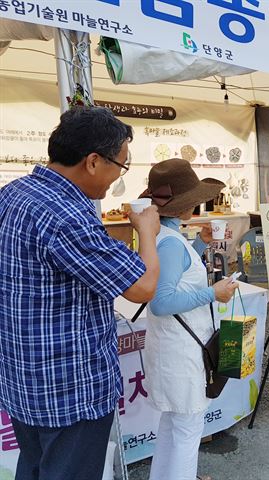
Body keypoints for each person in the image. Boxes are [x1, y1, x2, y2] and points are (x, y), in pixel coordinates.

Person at [0, 106, 160, 480]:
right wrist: (147, 232)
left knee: (35, 467)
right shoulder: (67, 215)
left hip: (23, 377)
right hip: (69, 389)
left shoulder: (13, 193)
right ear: (92, 162)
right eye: (120, 166)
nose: (116, 178)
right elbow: (142, 287)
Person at [142, 158, 238, 480]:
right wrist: (214, 293)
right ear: (183, 204)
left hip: (173, 349)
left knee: (172, 427)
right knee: (186, 433)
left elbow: (174, 278)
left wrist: (200, 244)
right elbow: (161, 301)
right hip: (182, 354)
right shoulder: (169, 243)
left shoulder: (163, 238)